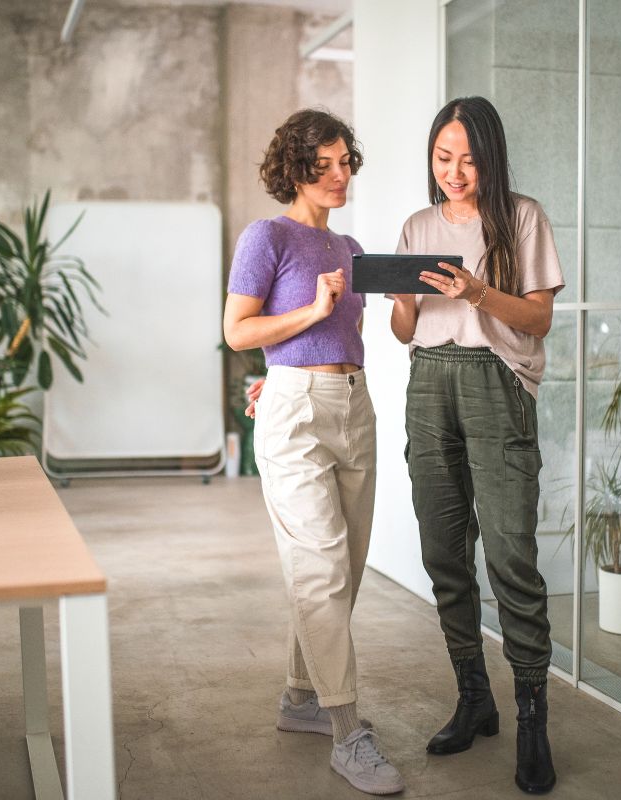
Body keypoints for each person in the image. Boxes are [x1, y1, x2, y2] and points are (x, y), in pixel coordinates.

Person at [223, 108, 404, 796]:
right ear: (293, 169)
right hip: (297, 415)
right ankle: (348, 733)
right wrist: (305, 326)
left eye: (344, 161)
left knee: (345, 568)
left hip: (354, 407)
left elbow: (335, 339)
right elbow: (238, 330)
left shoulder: (350, 245)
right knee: (322, 567)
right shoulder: (266, 236)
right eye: (322, 164)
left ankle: (300, 695)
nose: (339, 175)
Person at [390, 96, 563, 795]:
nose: (454, 171)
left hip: (498, 383)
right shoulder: (415, 225)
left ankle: (532, 720)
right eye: (442, 157)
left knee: (513, 557)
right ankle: (474, 697)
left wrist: (477, 292)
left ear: (489, 157)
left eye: (467, 158)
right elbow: (406, 330)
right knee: (443, 551)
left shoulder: (522, 217)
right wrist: (401, 297)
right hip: (428, 382)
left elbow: (539, 319)